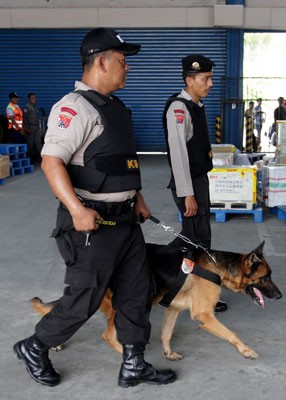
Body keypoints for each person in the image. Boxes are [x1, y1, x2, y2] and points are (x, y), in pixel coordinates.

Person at [13, 28, 176, 388]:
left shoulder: (116, 109)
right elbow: (51, 162)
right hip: (91, 225)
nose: (127, 68)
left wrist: (139, 200)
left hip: (127, 223)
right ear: (101, 62)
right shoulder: (74, 107)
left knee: (136, 292)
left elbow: (122, 164)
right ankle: (35, 346)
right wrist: (75, 209)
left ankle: (133, 364)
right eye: (122, 61)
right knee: (85, 299)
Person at [162, 54, 227, 313]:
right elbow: (178, 155)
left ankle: (168, 281)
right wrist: (187, 194)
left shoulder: (194, 106)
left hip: (198, 180)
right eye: (205, 78)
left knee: (195, 239)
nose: (210, 83)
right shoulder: (179, 109)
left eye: (210, 77)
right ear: (189, 80)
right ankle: (196, 294)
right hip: (189, 184)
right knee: (196, 242)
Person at [23, 92, 42, 160]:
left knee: (38, 142)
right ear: (29, 99)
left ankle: (42, 157)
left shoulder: (34, 107)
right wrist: (27, 129)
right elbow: (24, 119)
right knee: (30, 143)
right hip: (31, 127)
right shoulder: (27, 107)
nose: (34, 100)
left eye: (35, 98)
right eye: (32, 98)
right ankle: (30, 158)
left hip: (36, 127)